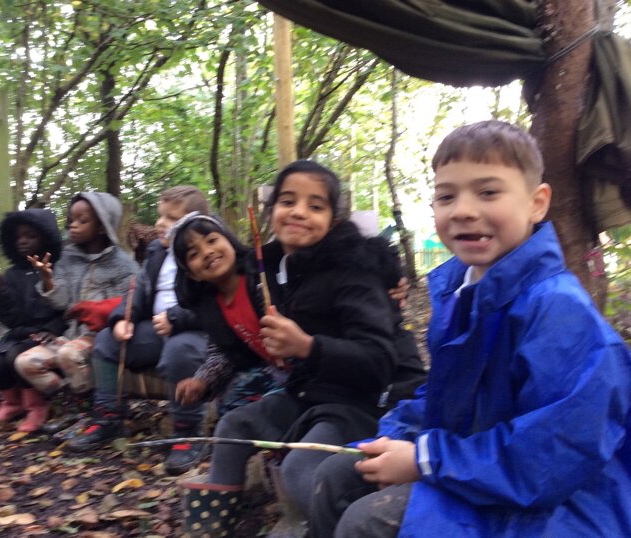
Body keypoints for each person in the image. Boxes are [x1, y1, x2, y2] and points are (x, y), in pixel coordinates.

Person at [310, 120, 631, 538]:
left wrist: (425, 459)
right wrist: (394, 437)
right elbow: (446, 399)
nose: (462, 210)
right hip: (480, 467)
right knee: (338, 473)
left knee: (367, 521)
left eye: (488, 192)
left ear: (537, 203)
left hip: (565, 503)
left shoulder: (558, 310)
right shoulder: (463, 293)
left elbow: (551, 457)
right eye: (447, 196)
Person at [172, 160, 426, 536]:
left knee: (301, 468)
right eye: (288, 201)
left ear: (333, 220)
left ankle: (342, 526)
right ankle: (214, 520)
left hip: (371, 399)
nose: (299, 212)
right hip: (312, 390)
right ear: (272, 211)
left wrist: (306, 346)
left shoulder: (352, 270)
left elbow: (379, 361)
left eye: (315, 205)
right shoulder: (275, 268)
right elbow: (227, 342)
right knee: (234, 424)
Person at [66, 186, 212, 476]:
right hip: (157, 329)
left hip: (197, 332)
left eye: (171, 219)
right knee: (106, 341)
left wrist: (176, 318)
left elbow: (214, 304)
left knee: (180, 351)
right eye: (161, 216)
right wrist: (124, 318)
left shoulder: (211, 252)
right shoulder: (158, 251)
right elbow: (139, 291)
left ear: (196, 223)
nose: (160, 224)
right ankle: (109, 417)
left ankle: (188, 430)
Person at [14, 192, 138, 431]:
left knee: (68, 354)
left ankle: (90, 412)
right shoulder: (67, 260)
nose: (73, 225)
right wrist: (48, 280)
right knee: (26, 362)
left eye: (82, 220)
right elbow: (61, 304)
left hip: (102, 337)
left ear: (102, 226)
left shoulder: (123, 264)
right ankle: (73, 405)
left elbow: (131, 303)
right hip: (71, 335)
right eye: (71, 219)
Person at [0, 208, 66, 432]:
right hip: (20, 333)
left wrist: (52, 329)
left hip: (50, 333)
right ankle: (12, 404)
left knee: (16, 357)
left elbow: (65, 308)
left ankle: (36, 406)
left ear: (46, 238)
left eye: (30, 236)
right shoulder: (12, 274)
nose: (22, 241)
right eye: (18, 237)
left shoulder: (58, 269)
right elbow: (10, 317)